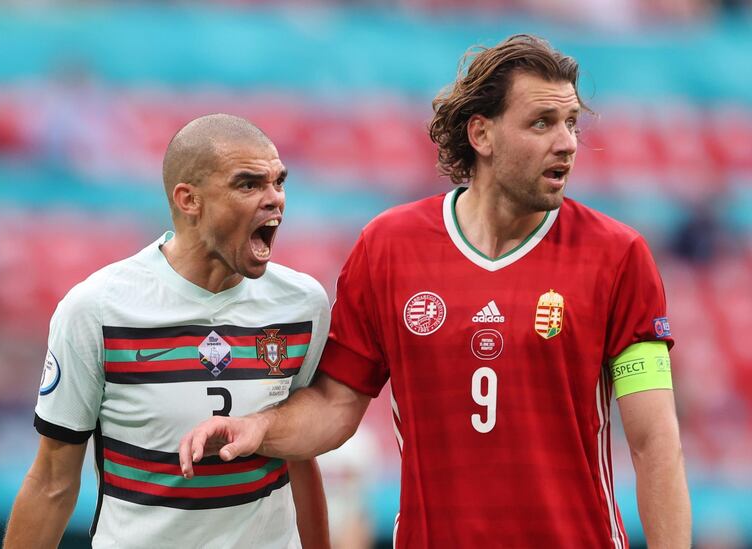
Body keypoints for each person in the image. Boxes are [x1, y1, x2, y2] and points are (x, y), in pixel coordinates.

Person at [179, 35, 692, 548]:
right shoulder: (388, 248)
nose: (567, 142)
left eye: (572, 122)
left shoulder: (618, 255)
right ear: (482, 134)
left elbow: (653, 442)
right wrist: (260, 429)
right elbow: (337, 405)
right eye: (542, 122)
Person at [4, 114, 331, 549]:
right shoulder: (98, 309)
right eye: (248, 184)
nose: (275, 199)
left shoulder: (302, 304)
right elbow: (52, 482)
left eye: (278, 182)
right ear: (188, 200)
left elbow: (299, 454)